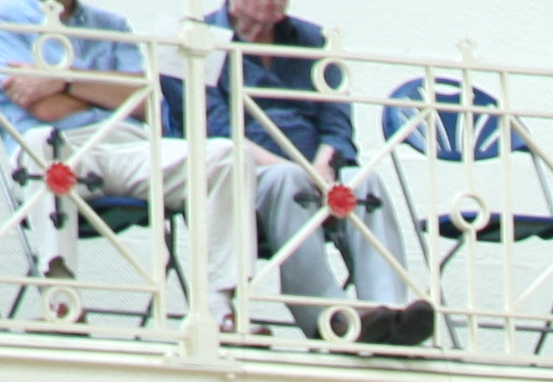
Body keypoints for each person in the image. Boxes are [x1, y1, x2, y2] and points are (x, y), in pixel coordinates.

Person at [0, 0, 350, 345]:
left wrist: (65, 79)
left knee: (225, 154)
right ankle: (61, 300)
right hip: (61, 150)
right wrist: (98, 89)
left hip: (129, 147)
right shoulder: (1, 21)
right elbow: (42, 107)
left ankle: (221, 310)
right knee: (41, 145)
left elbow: (145, 101)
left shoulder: (111, 24)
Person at [167, 1, 436, 343]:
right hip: (243, 176)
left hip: (315, 168)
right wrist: (297, 169)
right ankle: (329, 318)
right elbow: (212, 128)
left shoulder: (310, 39)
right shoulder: (196, 39)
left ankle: (388, 311)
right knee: (288, 181)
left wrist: (323, 164)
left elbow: (335, 119)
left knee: (365, 181)